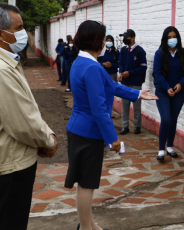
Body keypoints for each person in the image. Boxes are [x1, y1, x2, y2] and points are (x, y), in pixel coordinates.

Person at [0, 2, 58, 230]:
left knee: (7, 220)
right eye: (18, 28)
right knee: (10, 223)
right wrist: (48, 139)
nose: (23, 33)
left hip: (4, 158)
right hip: (10, 163)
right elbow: (22, 123)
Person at [64, 20, 157, 230]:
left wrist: (136, 93)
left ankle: (89, 225)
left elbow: (110, 85)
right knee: (87, 184)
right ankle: (86, 228)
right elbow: (98, 109)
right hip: (88, 132)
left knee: (84, 182)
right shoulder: (92, 67)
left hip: (78, 128)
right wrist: (112, 139)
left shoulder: (81, 62)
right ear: (97, 40)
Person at [152, 26, 184, 161]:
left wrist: (181, 83)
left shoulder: (183, 53)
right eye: (169, 37)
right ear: (165, 39)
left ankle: (170, 146)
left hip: (178, 92)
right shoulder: (160, 54)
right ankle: (161, 150)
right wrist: (166, 87)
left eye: (174, 37)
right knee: (166, 119)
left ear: (178, 38)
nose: (172, 39)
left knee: (173, 119)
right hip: (163, 91)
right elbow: (157, 74)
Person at [117, 29, 147, 135]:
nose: (125, 39)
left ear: (133, 38)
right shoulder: (123, 50)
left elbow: (143, 67)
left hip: (136, 82)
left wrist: (130, 73)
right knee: (124, 105)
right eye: (124, 37)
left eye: (127, 37)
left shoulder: (140, 51)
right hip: (125, 82)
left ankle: (137, 126)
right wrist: (120, 73)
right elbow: (121, 63)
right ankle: (125, 126)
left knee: (136, 106)